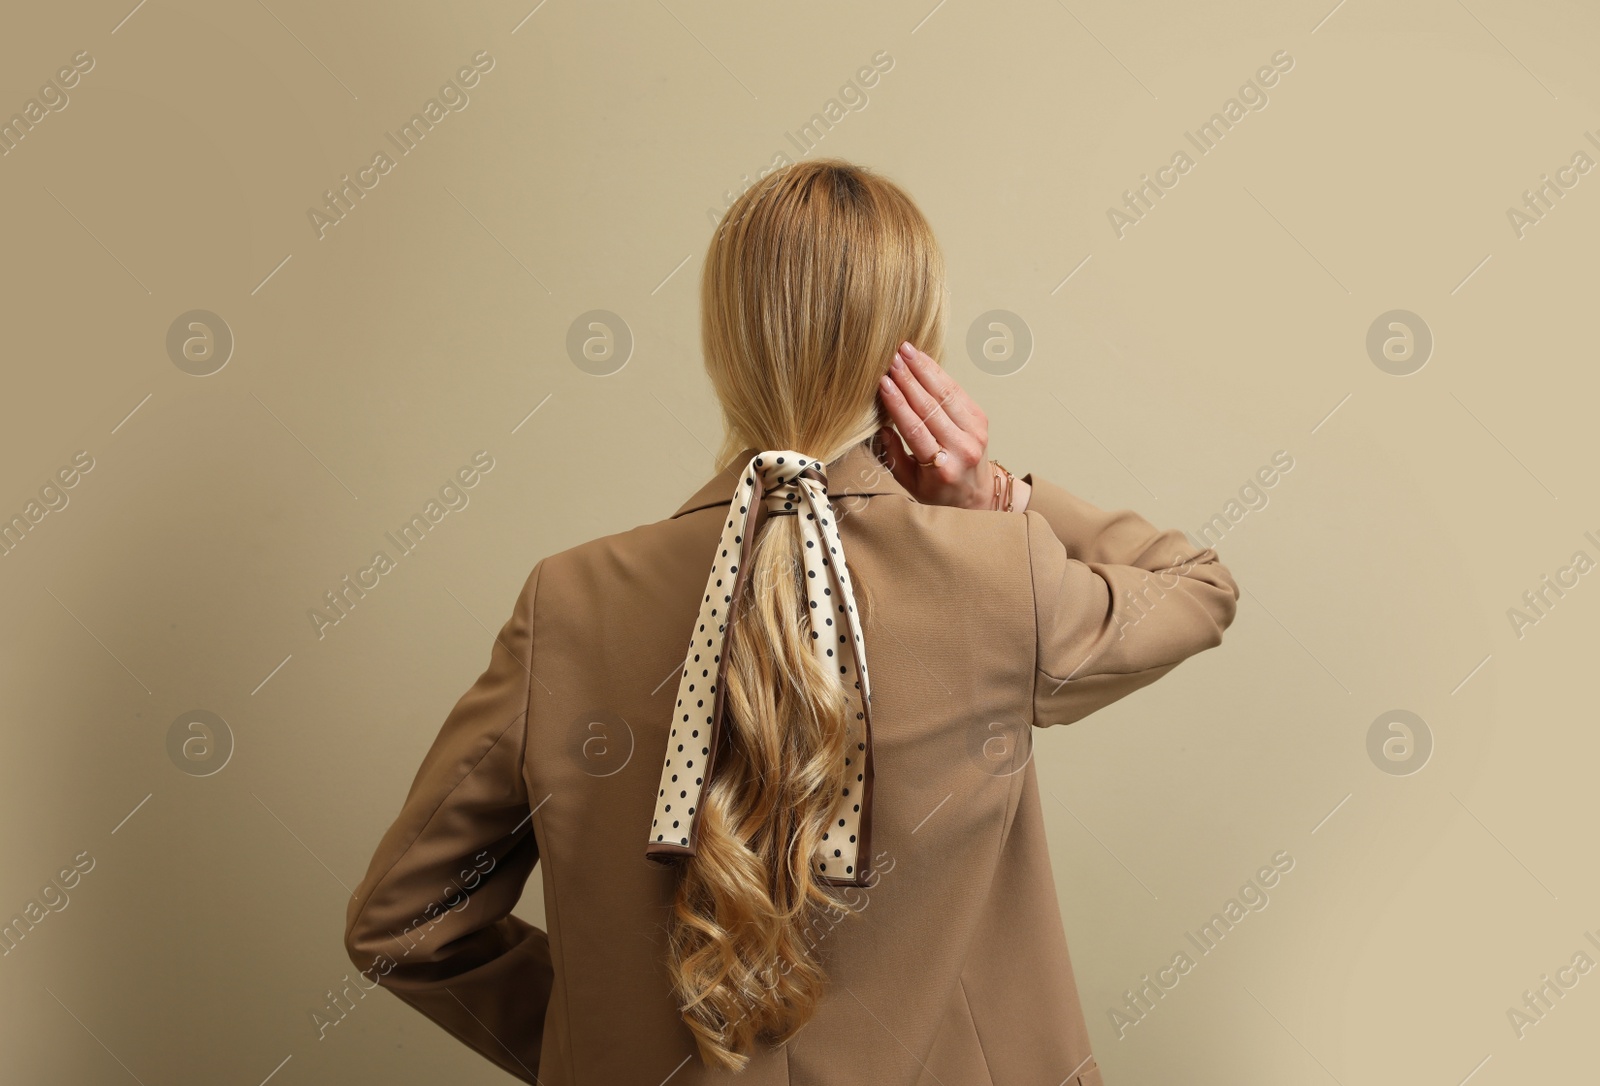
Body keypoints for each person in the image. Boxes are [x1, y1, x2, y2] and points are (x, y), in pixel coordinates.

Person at [344, 158, 1239, 1085]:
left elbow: (401, 921)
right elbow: (1195, 586)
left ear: (722, 343)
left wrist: (593, 1046)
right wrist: (993, 494)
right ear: (914, 349)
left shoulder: (569, 601)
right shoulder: (1000, 576)